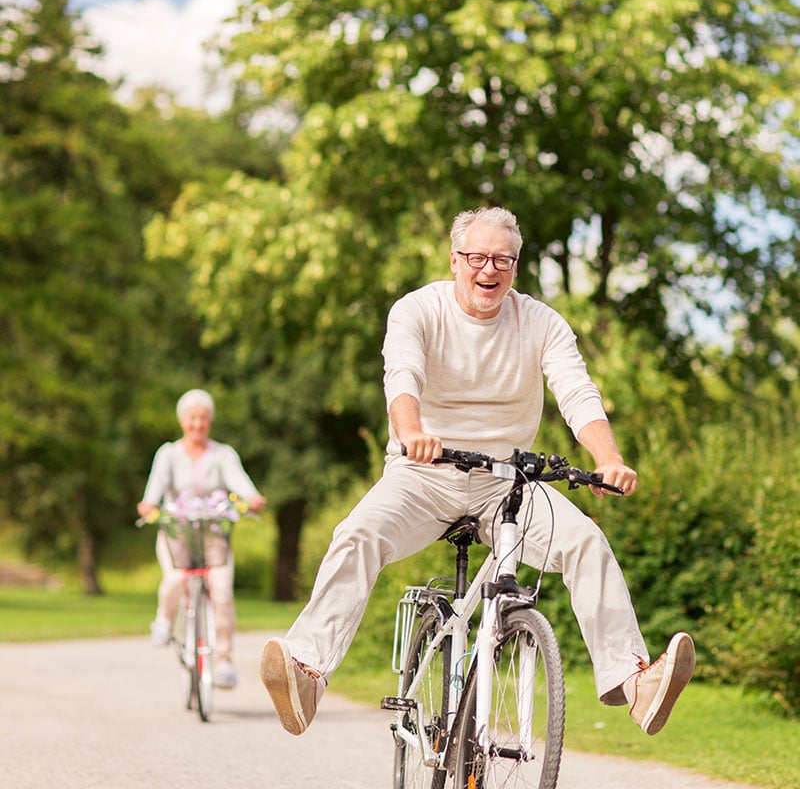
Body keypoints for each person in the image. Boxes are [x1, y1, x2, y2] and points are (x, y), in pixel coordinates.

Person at [260, 207, 695, 737]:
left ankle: (635, 683)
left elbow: (576, 392)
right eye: (478, 258)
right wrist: (412, 431)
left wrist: (609, 459)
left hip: (507, 482)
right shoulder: (418, 310)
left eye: (503, 261)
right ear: (455, 260)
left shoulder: (541, 322)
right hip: (423, 473)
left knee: (586, 541)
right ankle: (307, 673)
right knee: (357, 534)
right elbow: (402, 375)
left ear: (516, 267)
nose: (489, 270)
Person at [138, 388, 266, 689]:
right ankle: (164, 620)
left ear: (210, 421)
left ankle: (223, 662)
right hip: (177, 533)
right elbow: (154, 489)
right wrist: (148, 504)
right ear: (183, 421)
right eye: (192, 418)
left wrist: (251, 497)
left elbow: (239, 480)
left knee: (221, 592)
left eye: (203, 418)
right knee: (175, 579)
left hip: (213, 535)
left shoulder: (222, 454)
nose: (198, 424)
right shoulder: (168, 454)